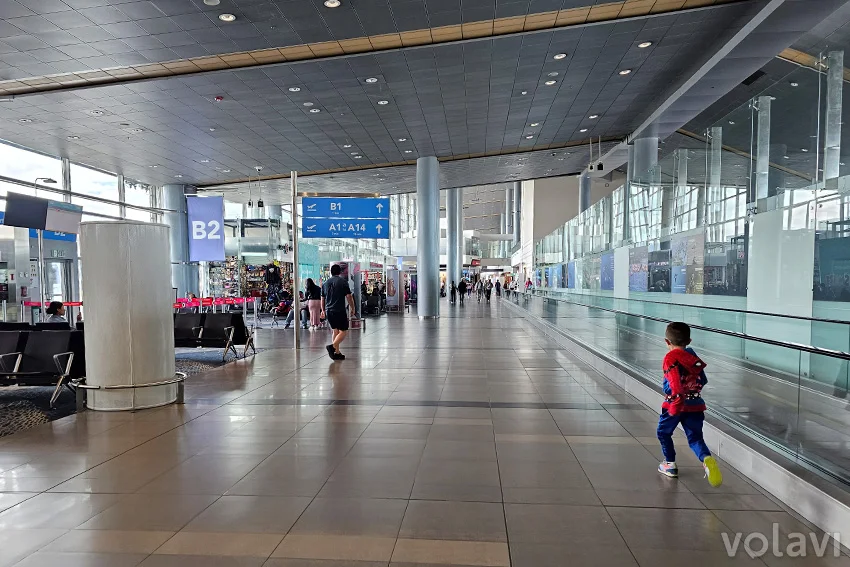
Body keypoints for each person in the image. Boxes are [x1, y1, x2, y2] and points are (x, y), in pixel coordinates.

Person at [657, 322, 723, 487]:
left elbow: (672, 386)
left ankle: (669, 464)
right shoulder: (692, 357)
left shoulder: (670, 358)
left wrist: (675, 398)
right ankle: (706, 459)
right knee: (695, 438)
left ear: (667, 342)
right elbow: (703, 380)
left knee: (663, 433)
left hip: (674, 404)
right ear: (689, 341)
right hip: (695, 404)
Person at [321, 263, 356, 360]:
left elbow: (322, 298)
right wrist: (352, 307)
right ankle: (332, 347)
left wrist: (323, 310)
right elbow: (349, 296)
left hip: (329, 310)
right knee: (343, 331)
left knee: (335, 331)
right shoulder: (343, 282)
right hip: (339, 310)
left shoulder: (325, 283)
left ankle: (336, 352)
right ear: (340, 272)